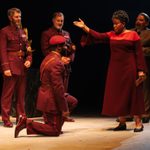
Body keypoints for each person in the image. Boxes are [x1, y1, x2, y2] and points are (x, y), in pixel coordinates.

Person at [73, 10, 147, 132]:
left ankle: (138, 123)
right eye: (113, 23)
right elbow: (98, 36)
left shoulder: (133, 35)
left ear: (123, 23)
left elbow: (139, 54)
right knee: (118, 94)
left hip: (129, 68)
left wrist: (141, 70)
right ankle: (122, 122)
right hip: (115, 69)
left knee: (133, 94)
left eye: (116, 23)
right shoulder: (112, 35)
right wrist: (85, 27)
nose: (114, 26)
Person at [14, 35, 78, 138]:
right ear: (59, 47)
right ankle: (26, 123)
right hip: (51, 98)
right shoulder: (57, 63)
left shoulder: (48, 58)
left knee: (72, 101)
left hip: (45, 95)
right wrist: (64, 109)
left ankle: (54, 124)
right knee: (54, 131)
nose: (66, 48)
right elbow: (58, 88)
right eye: (64, 46)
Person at [41, 11, 76, 122]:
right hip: (54, 65)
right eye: (58, 20)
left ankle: (63, 116)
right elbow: (46, 51)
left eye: (62, 21)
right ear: (53, 20)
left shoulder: (66, 33)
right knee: (54, 91)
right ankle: (49, 116)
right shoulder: (47, 33)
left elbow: (72, 49)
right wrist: (60, 59)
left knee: (63, 92)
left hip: (66, 67)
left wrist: (70, 59)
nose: (60, 22)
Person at [0, 8, 32, 127]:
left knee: (21, 94)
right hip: (11, 66)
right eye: (16, 16)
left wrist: (29, 60)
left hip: (22, 67)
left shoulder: (23, 32)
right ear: (10, 17)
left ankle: (21, 117)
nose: (19, 19)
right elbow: (2, 51)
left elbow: (28, 50)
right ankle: (6, 118)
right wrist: (5, 68)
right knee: (7, 94)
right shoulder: (4, 31)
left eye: (20, 16)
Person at [132, 12, 150, 123]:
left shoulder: (149, 33)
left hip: (145, 64)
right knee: (131, 88)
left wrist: (140, 51)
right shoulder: (130, 32)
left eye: (141, 20)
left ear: (147, 22)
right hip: (130, 65)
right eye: (137, 19)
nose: (138, 21)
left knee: (145, 89)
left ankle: (146, 113)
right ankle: (130, 112)